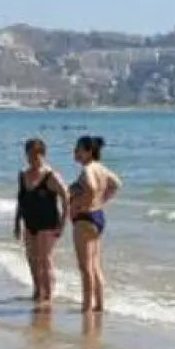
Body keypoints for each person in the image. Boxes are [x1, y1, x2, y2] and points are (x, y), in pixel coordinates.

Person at [68, 135, 122, 318]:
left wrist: (82, 205)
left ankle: (86, 307)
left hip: (85, 218)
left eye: (78, 149)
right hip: (98, 217)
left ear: (88, 151)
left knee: (85, 267)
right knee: (95, 264)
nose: (74, 152)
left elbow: (91, 187)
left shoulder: (88, 169)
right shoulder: (102, 168)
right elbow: (116, 184)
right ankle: (99, 304)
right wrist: (102, 201)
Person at [13, 138, 69, 305]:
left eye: (36, 155)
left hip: (48, 223)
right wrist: (16, 222)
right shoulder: (23, 175)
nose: (32, 159)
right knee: (31, 258)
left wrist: (63, 223)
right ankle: (38, 291)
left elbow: (65, 197)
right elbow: (21, 199)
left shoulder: (51, 176)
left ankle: (49, 295)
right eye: (29, 155)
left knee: (45, 259)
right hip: (29, 222)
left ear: (43, 155)